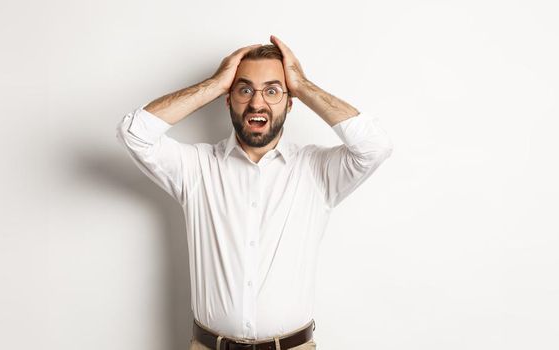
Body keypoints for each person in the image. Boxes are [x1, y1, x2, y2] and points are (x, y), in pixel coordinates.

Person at [116, 35, 393, 350]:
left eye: (273, 91)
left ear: (290, 102)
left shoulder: (317, 170)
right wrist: (215, 83)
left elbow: (376, 147)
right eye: (244, 90)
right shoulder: (196, 167)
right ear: (228, 99)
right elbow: (133, 133)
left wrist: (302, 85)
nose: (257, 103)